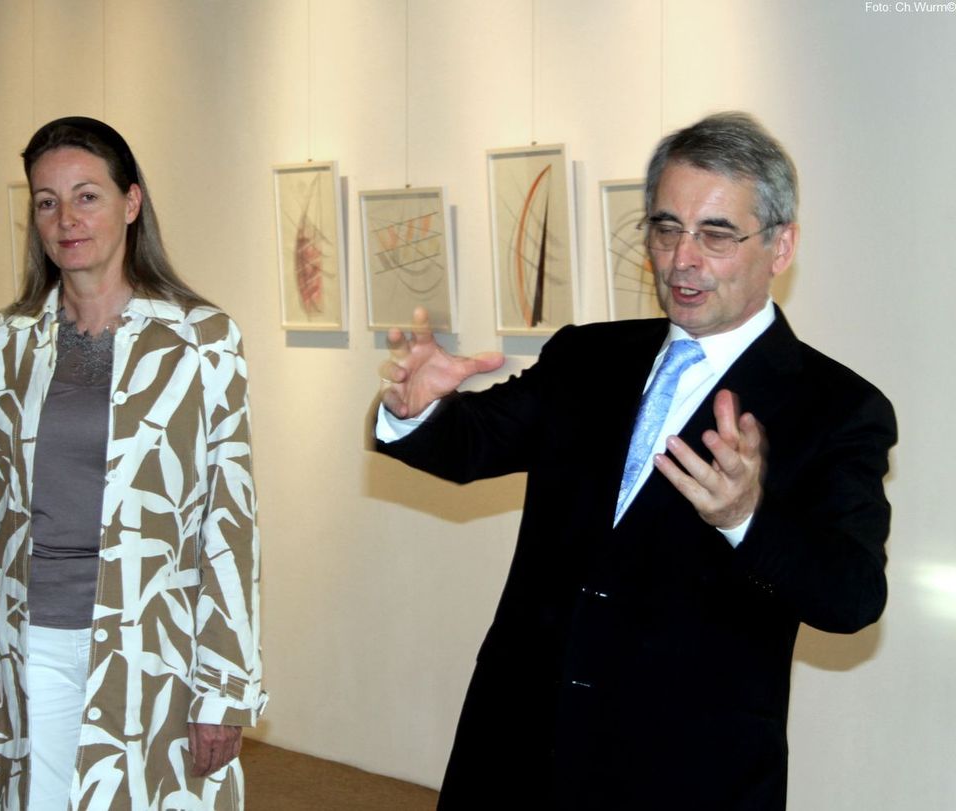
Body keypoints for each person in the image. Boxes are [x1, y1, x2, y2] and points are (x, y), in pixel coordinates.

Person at [374, 112, 895, 809]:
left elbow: (852, 594)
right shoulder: (588, 356)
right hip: (518, 751)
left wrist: (747, 518)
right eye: (666, 228)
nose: (683, 258)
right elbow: (471, 442)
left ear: (781, 245)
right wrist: (416, 411)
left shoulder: (836, 407)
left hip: (684, 777)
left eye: (716, 234)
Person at [0, 116, 265, 810]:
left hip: (153, 647)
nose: (66, 219)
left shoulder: (202, 341)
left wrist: (226, 683)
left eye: (86, 196)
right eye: (47, 201)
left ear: (131, 203)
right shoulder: (2, 345)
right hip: (23, 640)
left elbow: (230, 523)